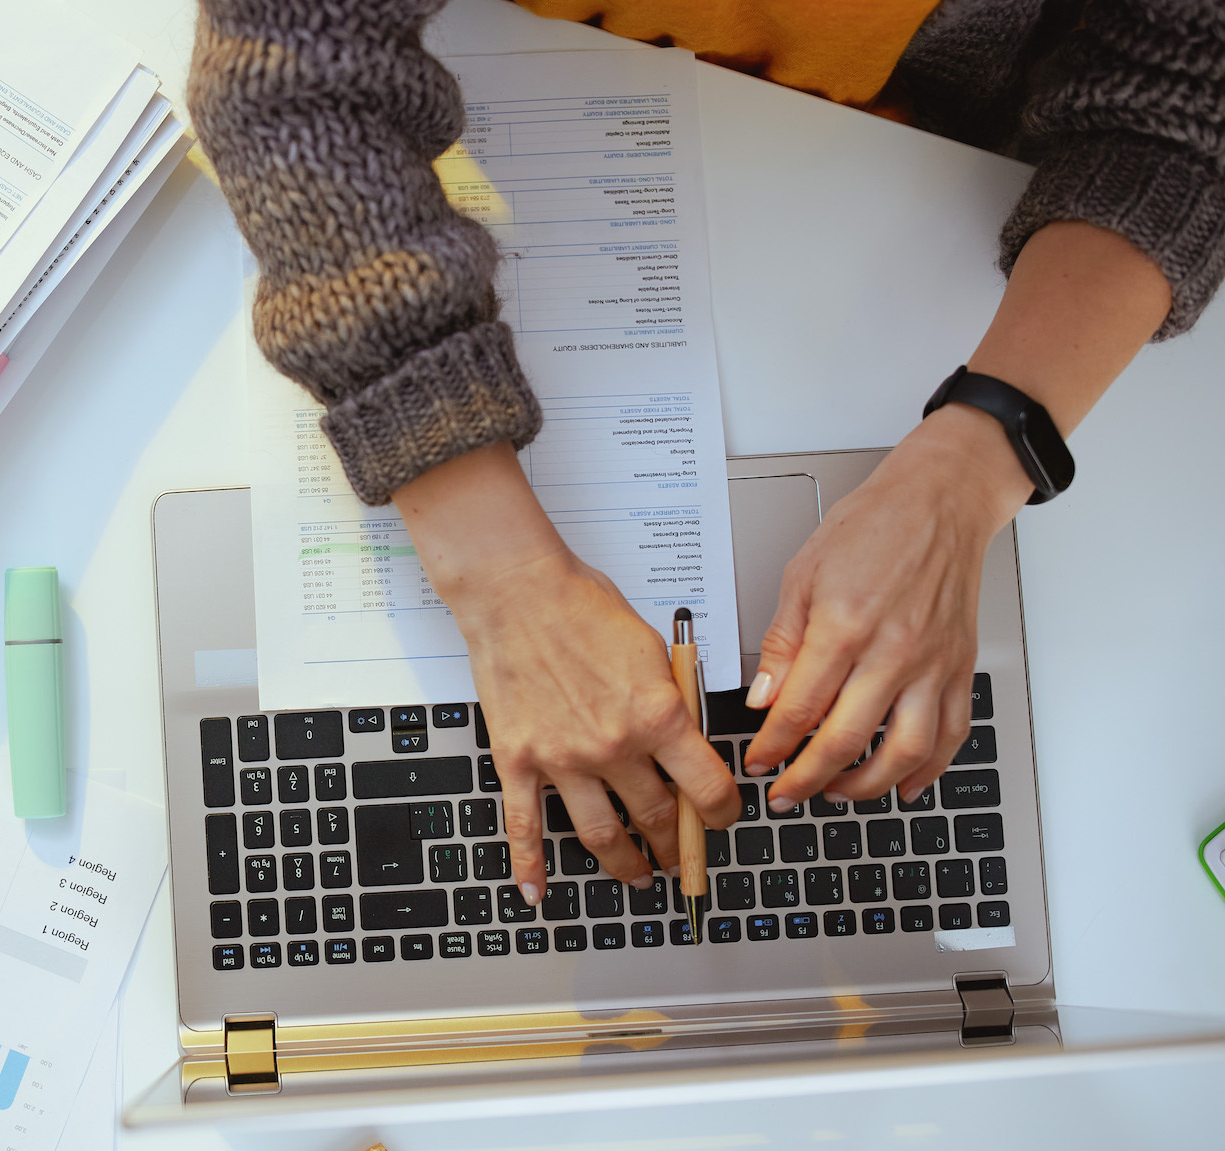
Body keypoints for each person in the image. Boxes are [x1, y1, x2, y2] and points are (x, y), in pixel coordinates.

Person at [187, 0, 1223, 907]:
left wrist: (977, 461)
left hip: (919, 218)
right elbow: (289, 85)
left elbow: (1182, 112)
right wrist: (494, 569)